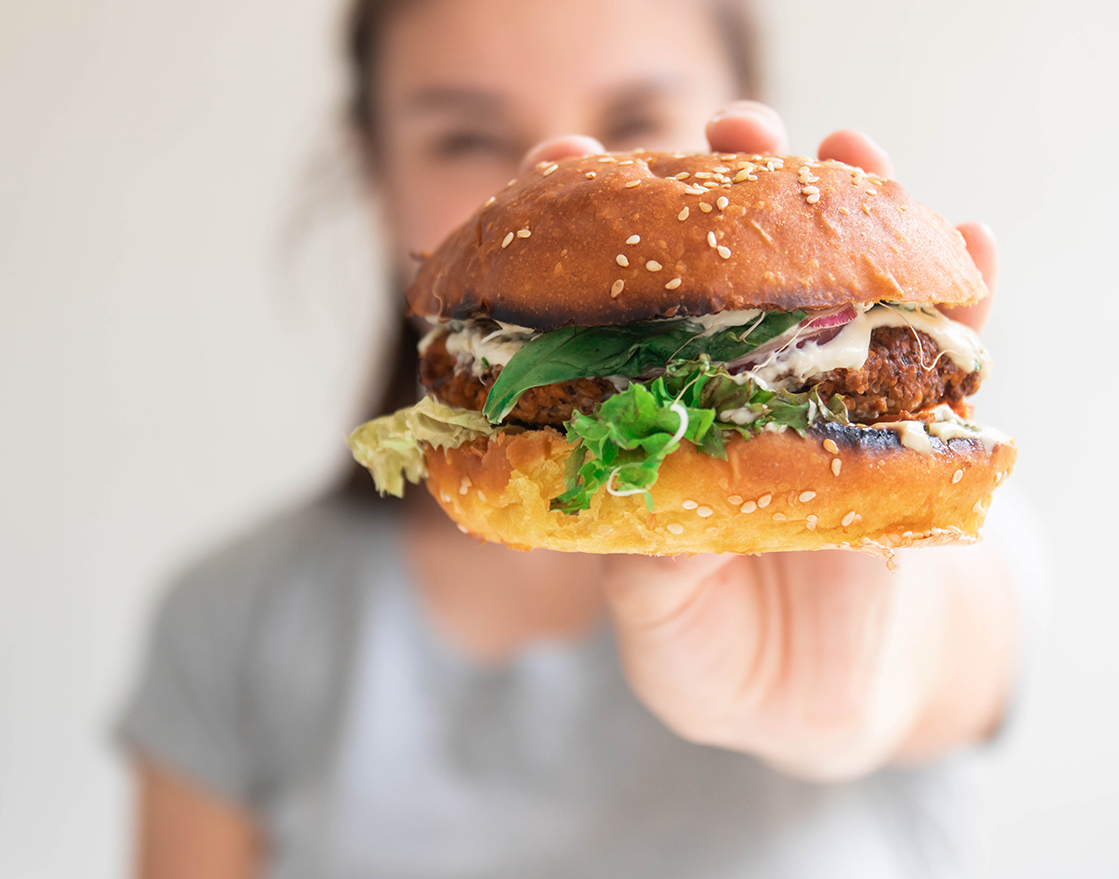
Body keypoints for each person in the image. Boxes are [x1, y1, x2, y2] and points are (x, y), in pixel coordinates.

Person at [119, 0, 1047, 876]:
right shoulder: (232, 620)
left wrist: (858, 687)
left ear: (741, 117)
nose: (560, 174)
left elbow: (940, 646)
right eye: (465, 137)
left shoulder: (924, 556)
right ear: (376, 173)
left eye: (641, 118)